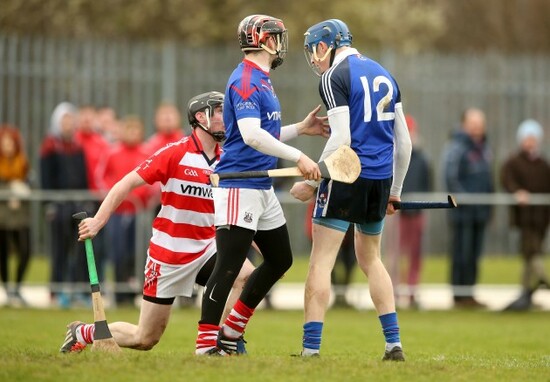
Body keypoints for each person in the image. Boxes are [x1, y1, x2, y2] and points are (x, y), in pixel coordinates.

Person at [59, 91, 255, 353]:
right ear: (200, 117)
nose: (225, 117)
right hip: (169, 256)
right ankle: (82, 332)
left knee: (245, 275)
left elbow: (240, 206)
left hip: (207, 247)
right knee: (145, 338)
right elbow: (126, 182)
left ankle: (223, 340)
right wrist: (98, 221)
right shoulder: (175, 153)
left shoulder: (227, 158)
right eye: (219, 111)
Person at [195, 14, 329, 356]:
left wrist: (300, 128)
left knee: (280, 259)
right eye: (275, 36)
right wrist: (298, 157)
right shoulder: (245, 80)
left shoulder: (262, 79)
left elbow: (257, 134)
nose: (279, 43)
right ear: (259, 39)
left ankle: (232, 329)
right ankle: (206, 345)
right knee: (227, 267)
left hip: (259, 187)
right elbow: (253, 137)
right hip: (239, 186)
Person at [290, 19, 412, 361]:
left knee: (321, 261)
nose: (314, 60)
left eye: (314, 50)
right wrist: (395, 190)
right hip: (379, 179)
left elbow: (341, 138)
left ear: (326, 45)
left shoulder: (334, 77)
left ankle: (311, 350)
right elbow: (404, 143)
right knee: (371, 260)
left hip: (345, 177)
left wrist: (313, 181)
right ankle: (393, 345)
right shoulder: (384, 73)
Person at [96, 115, 154, 306]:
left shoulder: (147, 153)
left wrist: (143, 196)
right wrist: (113, 197)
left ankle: (137, 289)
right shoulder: (112, 153)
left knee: (138, 252)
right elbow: (100, 177)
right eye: (128, 129)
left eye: (135, 130)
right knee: (118, 251)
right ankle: (120, 291)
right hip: (117, 212)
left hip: (140, 212)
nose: (132, 134)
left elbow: (154, 179)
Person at [40, 102, 90, 308]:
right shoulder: (50, 147)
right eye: (64, 120)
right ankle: (57, 290)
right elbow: (45, 179)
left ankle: (78, 290)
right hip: (58, 206)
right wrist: (49, 204)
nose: (68, 124)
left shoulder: (78, 147)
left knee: (79, 249)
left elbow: (83, 177)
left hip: (76, 205)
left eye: (71, 119)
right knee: (59, 249)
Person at [443, 108, 493, 309]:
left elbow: (489, 179)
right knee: (461, 253)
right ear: (464, 124)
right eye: (473, 124)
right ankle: (459, 295)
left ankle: (470, 293)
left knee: (474, 254)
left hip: (480, 212)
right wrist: (464, 200)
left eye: (480, 124)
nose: (477, 128)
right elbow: (451, 178)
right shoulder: (456, 147)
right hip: (463, 213)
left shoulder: (484, 149)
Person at [500, 119, 550, 311]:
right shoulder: (513, 162)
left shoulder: (543, 164)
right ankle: (542, 279)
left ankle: (526, 295)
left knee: (530, 257)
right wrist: (517, 191)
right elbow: (506, 179)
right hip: (524, 219)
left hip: (541, 219)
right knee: (531, 252)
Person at [385, 115, 432, 309]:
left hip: (415, 212)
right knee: (393, 254)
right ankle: (392, 292)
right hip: (395, 212)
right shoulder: (391, 155)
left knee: (415, 254)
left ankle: (412, 290)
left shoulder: (422, 159)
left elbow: (427, 183)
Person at [0, 125, 31, 307]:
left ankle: (17, 287)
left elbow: (29, 183)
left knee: (25, 251)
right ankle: (8, 291)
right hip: (2, 218)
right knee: (3, 254)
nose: (7, 147)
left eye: (10, 143)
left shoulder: (23, 163)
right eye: (5, 143)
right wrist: (10, 190)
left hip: (20, 217)